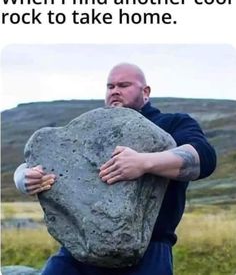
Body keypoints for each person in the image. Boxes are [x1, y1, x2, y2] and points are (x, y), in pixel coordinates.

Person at [14, 63, 217, 275]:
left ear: (145, 92)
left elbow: (204, 158)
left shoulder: (172, 124)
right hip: (79, 248)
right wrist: (24, 179)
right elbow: (34, 163)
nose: (115, 91)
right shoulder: (92, 128)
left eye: (124, 85)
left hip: (147, 250)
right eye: (110, 86)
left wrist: (143, 162)